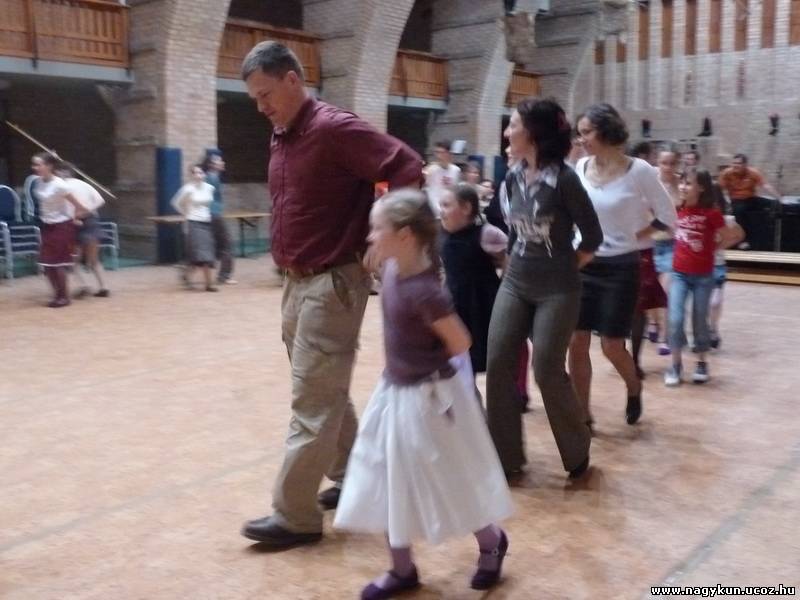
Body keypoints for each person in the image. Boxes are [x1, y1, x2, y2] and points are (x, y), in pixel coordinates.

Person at [238, 41, 422, 550]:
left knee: (312, 401)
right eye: (255, 99)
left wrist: (383, 234)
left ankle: (294, 516)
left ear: (293, 80)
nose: (261, 106)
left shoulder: (335, 128)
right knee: (324, 390)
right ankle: (357, 477)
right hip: (295, 282)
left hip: (331, 283)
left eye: (266, 94)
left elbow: (406, 165)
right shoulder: (283, 134)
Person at [333, 189, 513, 598]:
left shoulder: (426, 292)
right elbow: (375, 263)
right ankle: (402, 569)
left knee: (450, 478)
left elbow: (460, 342)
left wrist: (430, 367)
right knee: (386, 475)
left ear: (406, 235)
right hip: (394, 391)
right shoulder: (393, 265)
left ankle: (491, 541)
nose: (370, 237)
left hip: (428, 398)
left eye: (377, 229)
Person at [486, 99, 603, 478]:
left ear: (534, 133)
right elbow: (512, 232)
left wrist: (566, 267)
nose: (507, 132)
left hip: (558, 289)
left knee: (546, 369)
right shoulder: (512, 177)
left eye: (513, 125)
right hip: (516, 283)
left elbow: (593, 237)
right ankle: (506, 458)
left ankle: (576, 448)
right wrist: (509, 268)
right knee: (498, 362)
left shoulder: (565, 180)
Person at [570, 104, 676, 427]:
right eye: (579, 133)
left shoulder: (639, 170)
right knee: (576, 341)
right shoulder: (581, 166)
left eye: (586, 132)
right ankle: (582, 413)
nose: (581, 139)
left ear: (606, 132)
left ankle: (634, 386)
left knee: (612, 346)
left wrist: (636, 235)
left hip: (621, 268)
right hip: (583, 263)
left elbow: (667, 215)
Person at [664, 168, 741, 385]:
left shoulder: (711, 213)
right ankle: (675, 364)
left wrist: (713, 248)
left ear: (701, 188)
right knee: (675, 318)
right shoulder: (677, 209)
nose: (683, 187)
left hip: (703, 276)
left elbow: (730, 236)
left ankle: (701, 361)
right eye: (682, 182)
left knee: (699, 318)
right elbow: (671, 231)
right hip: (679, 273)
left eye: (688, 183)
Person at [439, 183, 507, 380]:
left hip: (481, 304)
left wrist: (504, 289)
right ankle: (466, 394)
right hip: (454, 303)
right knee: (456, 358)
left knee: (480, 354)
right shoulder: (443, 236)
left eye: (446, 205)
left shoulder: (486, 233)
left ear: (467, 208)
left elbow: (509, 259)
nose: (441, 211)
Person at [627, 142, 668, 379]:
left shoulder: (648, 177)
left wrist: (642, 233)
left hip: (640, 250)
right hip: (609, 250)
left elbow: (665, 215)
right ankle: (621, 353)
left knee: (638, 308)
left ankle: (634, 359)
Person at [31, 153, 89, 308]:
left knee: (57, 263)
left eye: (38, 164)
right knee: (47, 263)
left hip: (61, 226)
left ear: (49, 166)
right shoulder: (38, 182)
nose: (35, 167)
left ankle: (64, 297)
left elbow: (81, 207)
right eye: (34, 164)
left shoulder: (60, 185)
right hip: (47, 225)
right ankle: (57, 294)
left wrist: (75, 218)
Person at [53, 163, 110, 299]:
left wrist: (78, 215)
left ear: (60, 173)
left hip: (75, 223)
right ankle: (104, 286)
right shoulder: (84, 184)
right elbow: (100, 200)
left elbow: (64, 208)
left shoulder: (61, 187)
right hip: (92, 221)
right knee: (94, 259)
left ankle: (84, 286)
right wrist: (87, 210)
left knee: (73, 261)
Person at [170, 165, 219, 292]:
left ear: (204, 174)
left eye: (200, 172)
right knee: (201, 254)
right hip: (194, 223)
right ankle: (208, 283)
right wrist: (186, 213)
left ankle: (190, 277)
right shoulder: (188, 189)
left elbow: (209, 204)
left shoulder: (210, 188)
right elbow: (175, 203)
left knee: (206, 253)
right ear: (191, 175)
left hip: (206, 222)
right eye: (195, 173)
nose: (198, 175)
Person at [718, 154, 780, 250]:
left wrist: (778, 197)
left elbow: (765, 185)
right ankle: (742, 241)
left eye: (739, 163)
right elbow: (719, 189)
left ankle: (769, 238)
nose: (735, 165)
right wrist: (725, 200)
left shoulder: (753, 172)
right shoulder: (727, 173)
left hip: (751, 198)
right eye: (734, 163)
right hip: (736, 200)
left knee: (773, 204)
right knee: (739, 210)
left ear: (745, 165)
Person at [202, 151, 236, 285]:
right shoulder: (212, 178)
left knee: (211, 245)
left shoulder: (211, 177)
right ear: (212, 165)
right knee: (226, 244)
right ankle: (224, 275)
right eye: (219, 161)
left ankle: (189, 269)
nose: (222, 163)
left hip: (211, 214)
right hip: (214, 214)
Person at [424, 141, 461, 217]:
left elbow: (455, 191)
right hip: (433, 209)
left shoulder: (456, 170)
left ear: (449, 153)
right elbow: (424, 186)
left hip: (449, 209)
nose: (438, 156)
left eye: (441, 152)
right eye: (436, 152)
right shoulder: (431, 170)